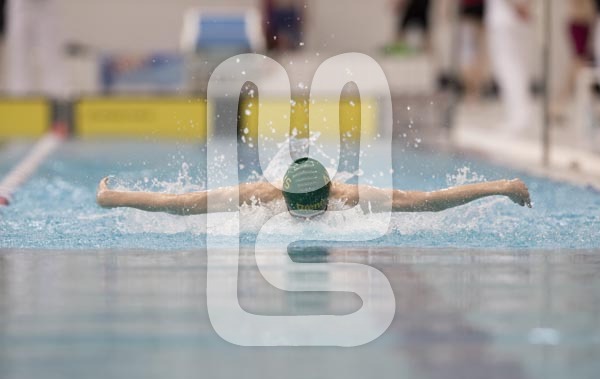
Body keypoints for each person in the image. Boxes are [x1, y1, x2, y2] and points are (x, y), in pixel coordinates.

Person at [96, 157, 532, 217]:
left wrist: (502, 185)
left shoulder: (350, 197)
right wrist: (112, 197)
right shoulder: (259, 195)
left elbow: (430, 202)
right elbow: (180, 202)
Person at [485, 0, 532, 134]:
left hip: (505, 18)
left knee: (509, 69)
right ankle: (519, 115)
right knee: (517, 68)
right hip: (515, 18)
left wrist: (517, 6)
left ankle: (518, 116)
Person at [4, 0, 66, 97]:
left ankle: (57, 98)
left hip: (47, 5)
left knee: (51, 57)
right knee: (19, 58)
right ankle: (19, 98)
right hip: (20, 5)